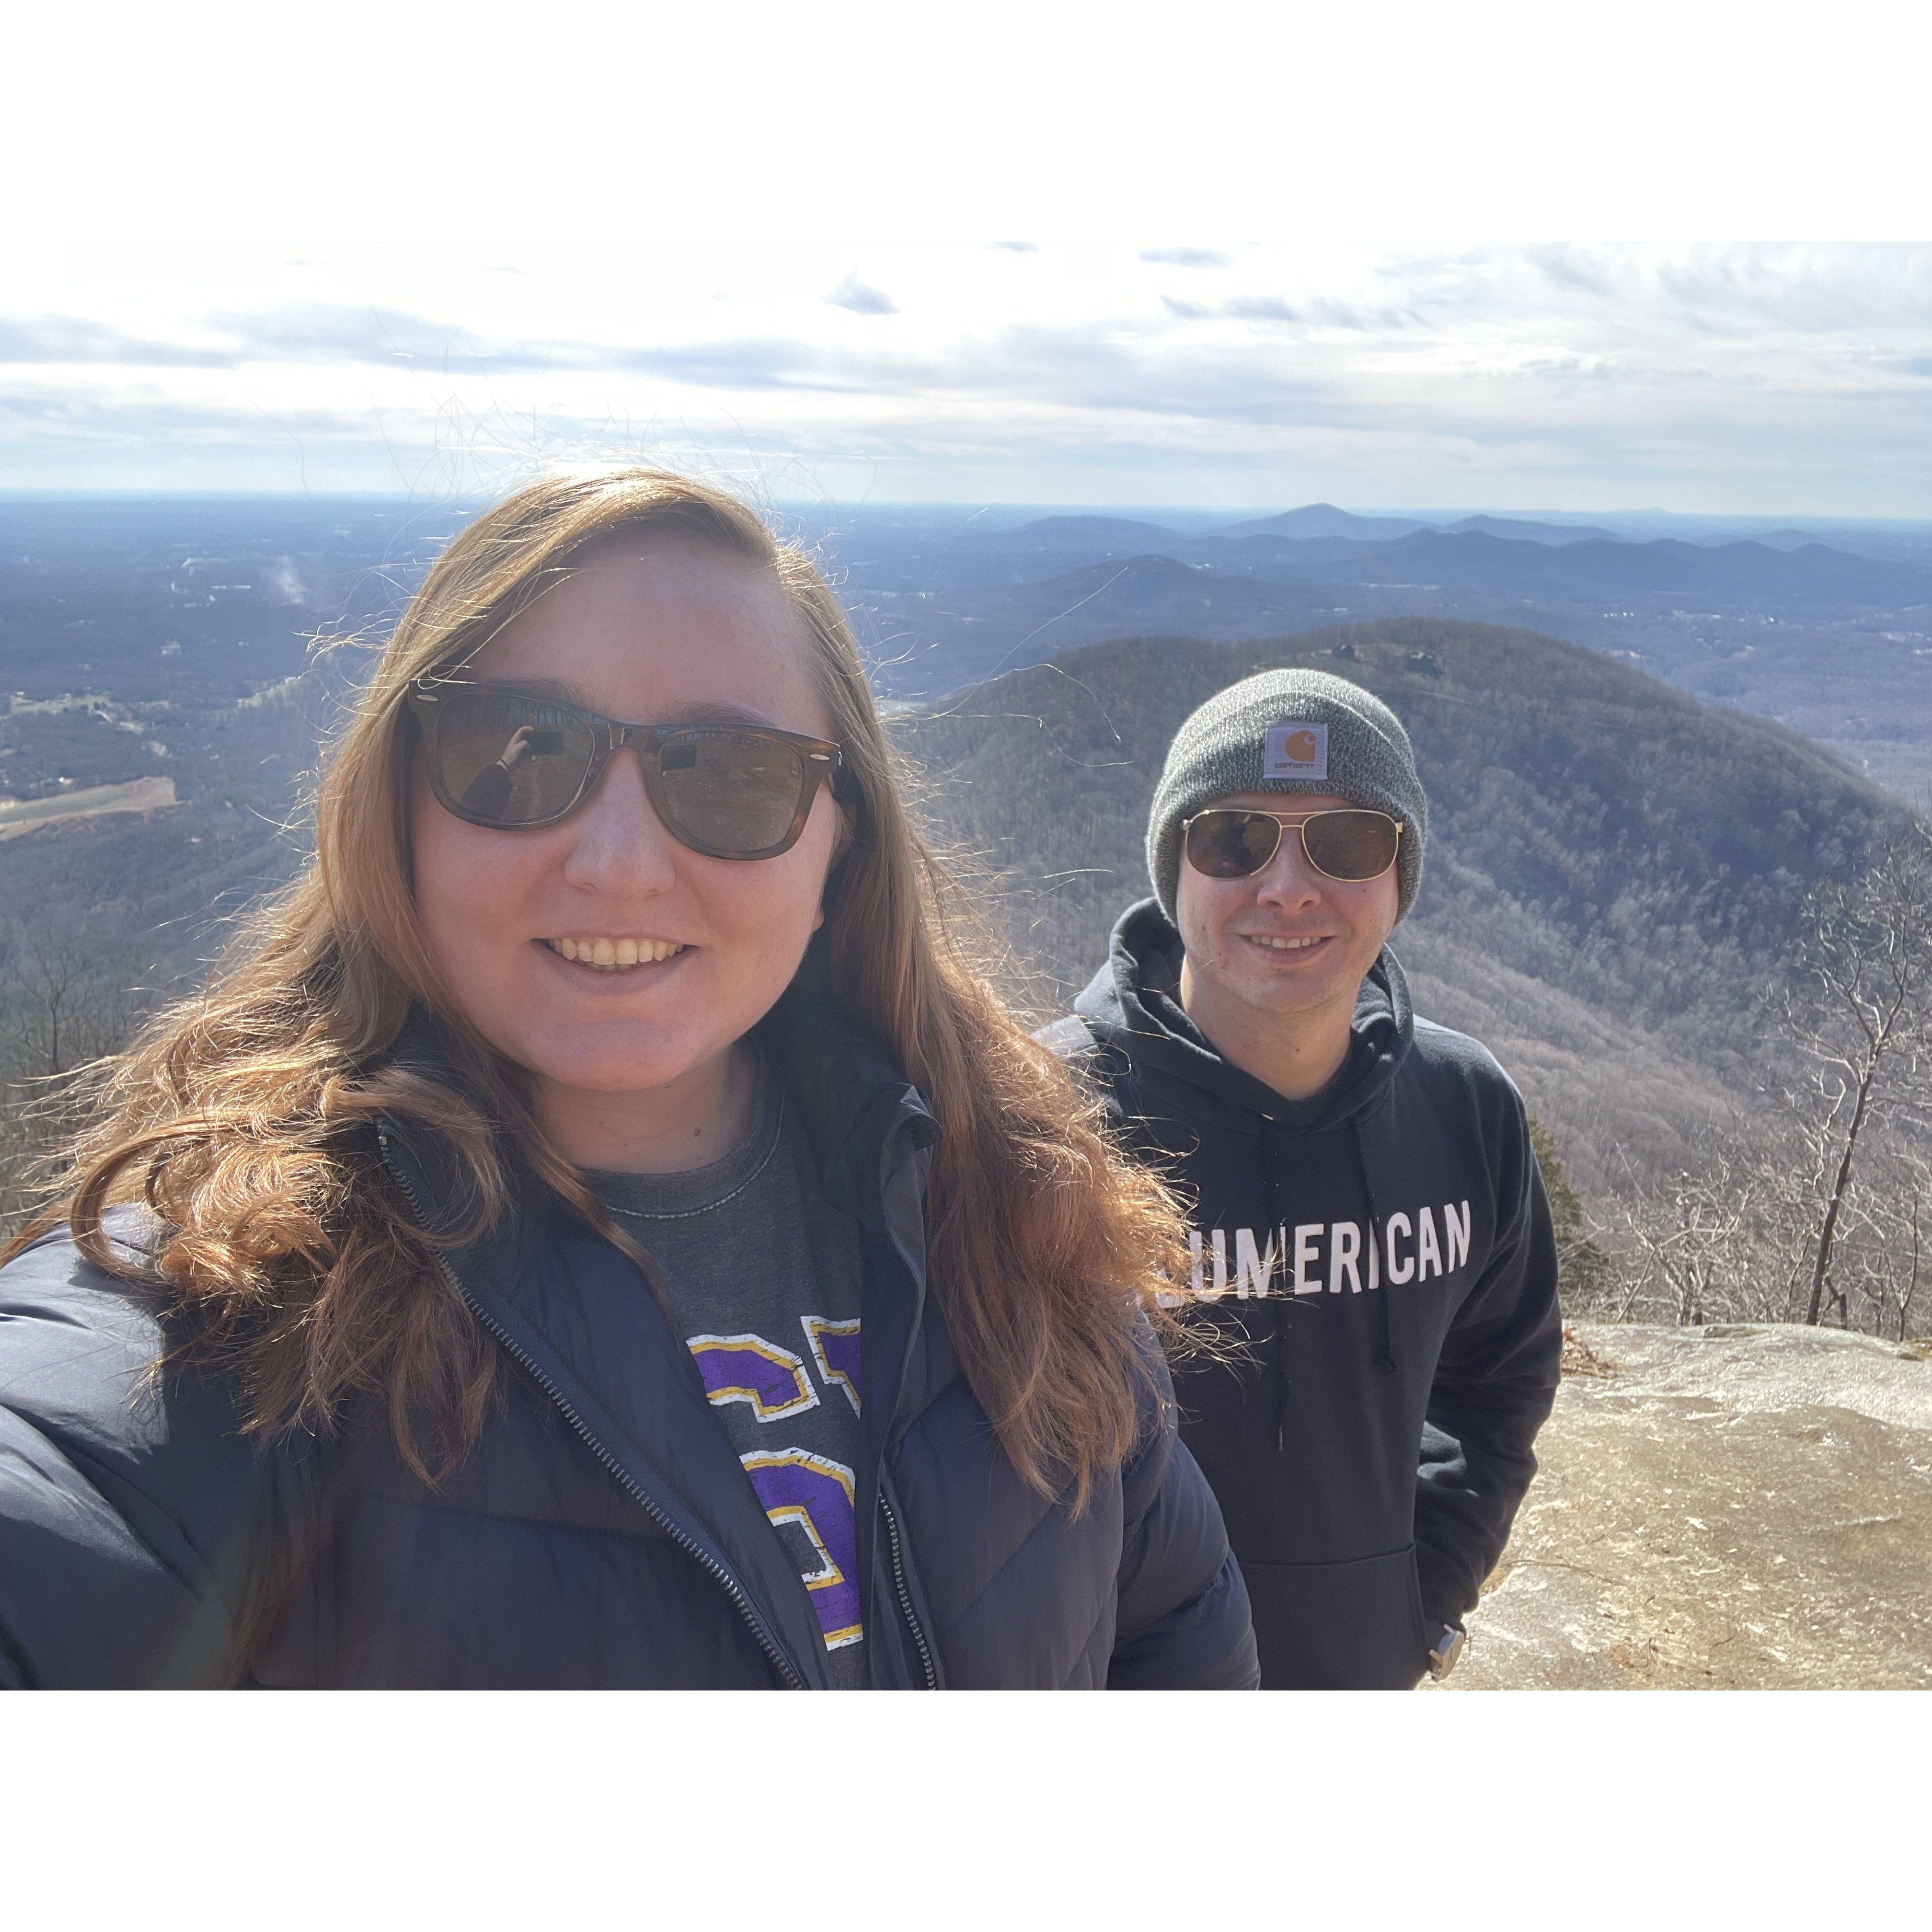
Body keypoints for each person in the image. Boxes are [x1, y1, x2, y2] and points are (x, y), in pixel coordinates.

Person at [0, 470, 1257, 1690]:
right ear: (402, 814)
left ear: (840, 847)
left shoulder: (1010, 1211)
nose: (617, 861)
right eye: (520, 752)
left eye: (729, 772)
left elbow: (1171, 1621)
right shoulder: (219, 1317)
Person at [1042, 668, 1560, 1690]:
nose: (1288, 887)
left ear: (1399, 874)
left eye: (1347, 843)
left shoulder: (1465, 1111)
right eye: (1234, 838)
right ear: (1173, 868)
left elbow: (1500, 1375)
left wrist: (1426, 1595)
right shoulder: (1052, 1121)